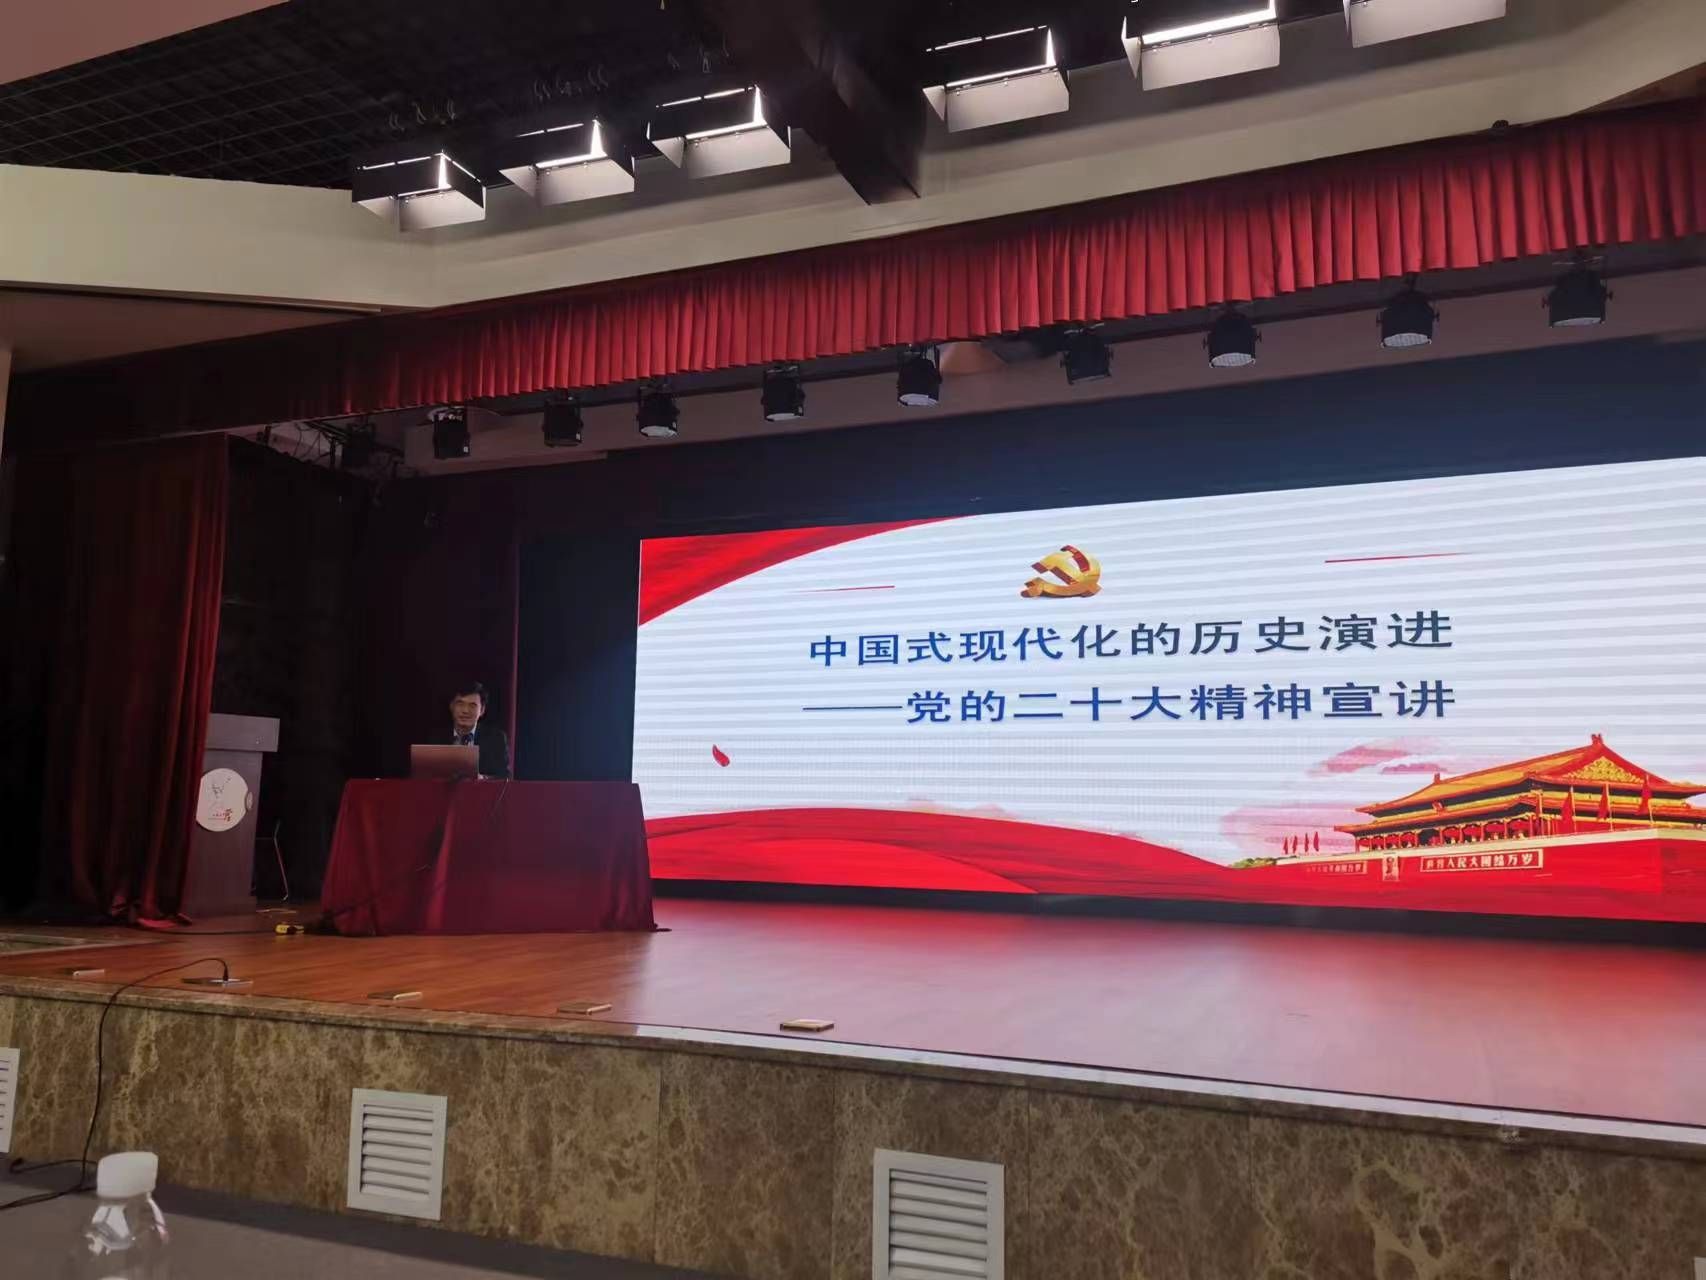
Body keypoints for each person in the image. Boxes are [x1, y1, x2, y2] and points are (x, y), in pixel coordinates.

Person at [447, 681, 511, 779]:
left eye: (472, 705)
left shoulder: (496, 739)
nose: (465, 711)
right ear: (451, 706)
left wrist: (482, 778)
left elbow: (505, 778)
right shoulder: (437, 737)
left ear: (482, 710)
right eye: (460, 704)